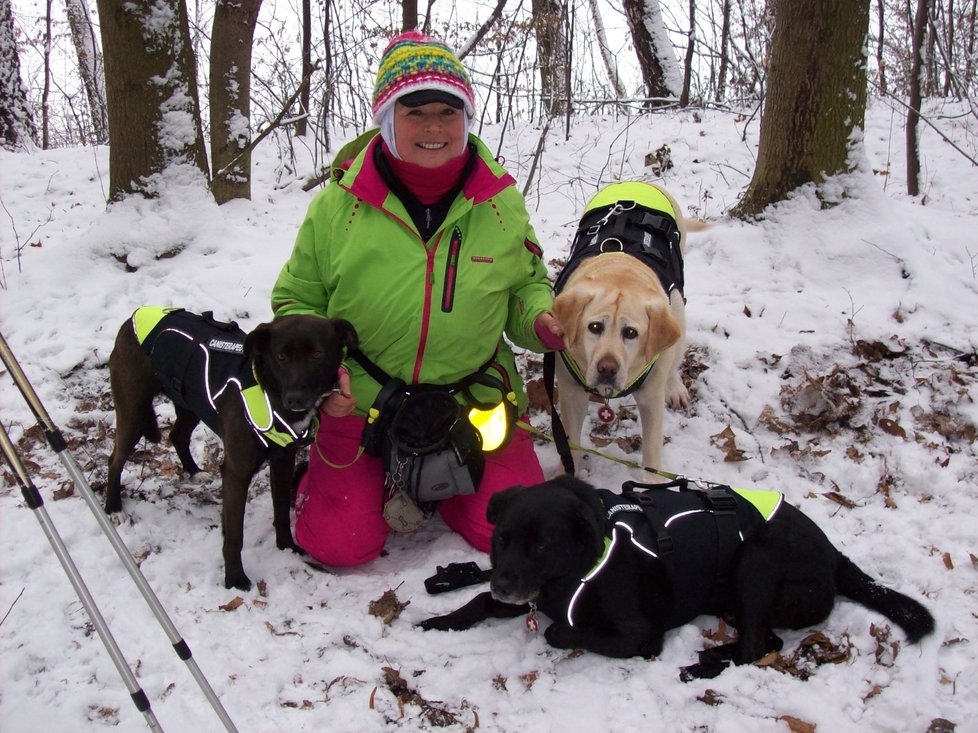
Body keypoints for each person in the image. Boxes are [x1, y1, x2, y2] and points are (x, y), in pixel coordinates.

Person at [270, 31, 565, 567]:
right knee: (340, 546)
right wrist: (320, 382)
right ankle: (367, 475)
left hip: (472, 398)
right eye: (416, 112)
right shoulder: (338, 207)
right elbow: (296, 301)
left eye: (448, 112)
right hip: (360, 401)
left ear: (466, 119)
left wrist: (541, 320)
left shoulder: (499, 203)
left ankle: (444, 490)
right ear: (387, 118)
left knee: (510, 532)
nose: (434, 127)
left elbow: (525, 285)